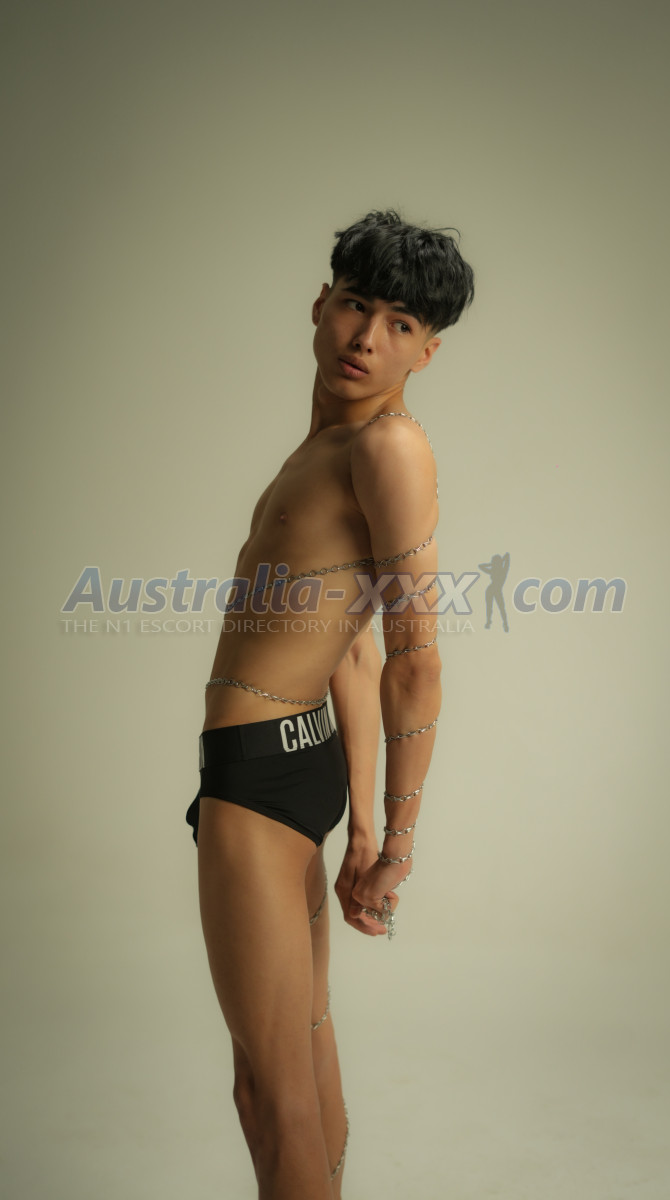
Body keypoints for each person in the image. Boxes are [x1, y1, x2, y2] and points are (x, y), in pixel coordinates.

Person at [186, 209, 474, 1199]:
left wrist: (398, 841)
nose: (366, 338)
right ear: (320, 306)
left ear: (427, 352)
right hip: (296, 762)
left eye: (400, 325)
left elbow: (415, 661)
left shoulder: (387, 448)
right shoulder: (326, 447)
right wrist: (358, 826)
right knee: (300, 1067)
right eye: (356, 306)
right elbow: (349, 642)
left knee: (272, 1100)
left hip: (259, 779)